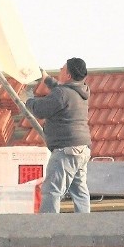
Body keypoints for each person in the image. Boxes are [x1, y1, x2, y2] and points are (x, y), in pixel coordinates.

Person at [25, 58, 91, 213]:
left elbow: (40, 110)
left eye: (62, 68)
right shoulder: (82, 91)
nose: (60, 69)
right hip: (82, 148)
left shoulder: (62, 94)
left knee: (52, 191)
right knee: (79, 191)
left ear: (68, 75)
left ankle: (49, 229)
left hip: (65, 150)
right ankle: (86, 226)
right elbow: (63, 91)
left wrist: (27, 100)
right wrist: (47, 79)